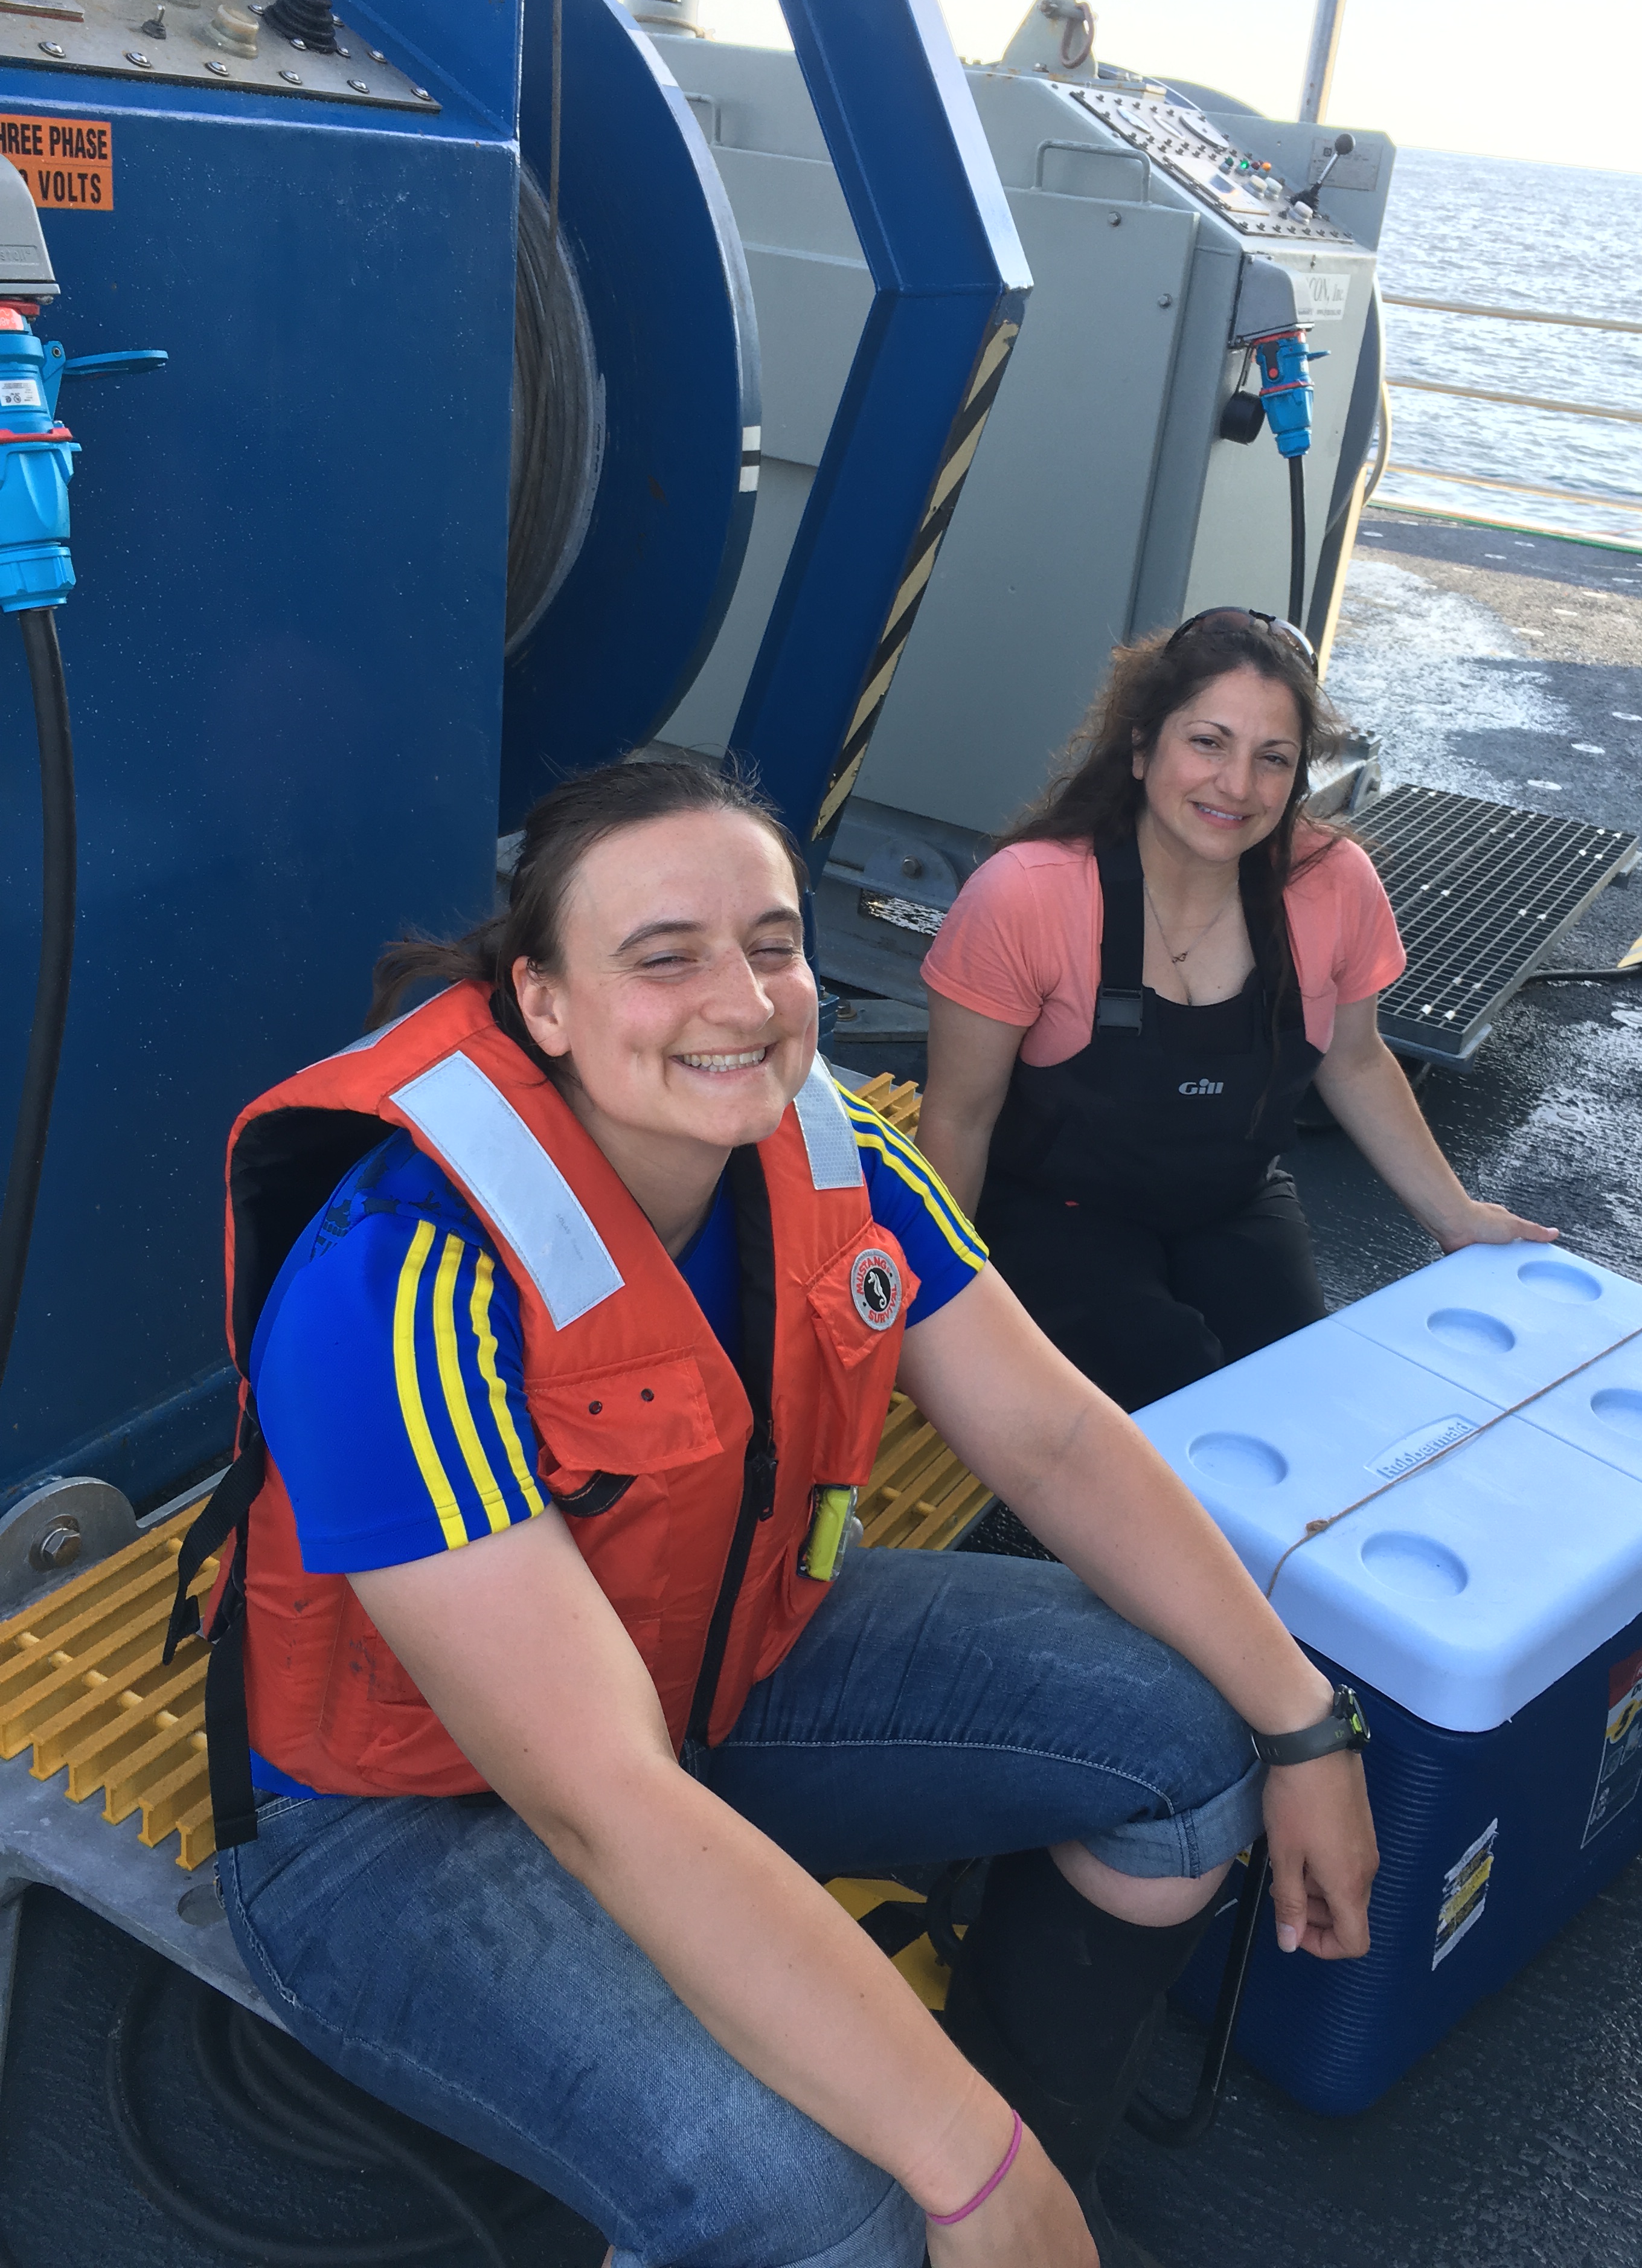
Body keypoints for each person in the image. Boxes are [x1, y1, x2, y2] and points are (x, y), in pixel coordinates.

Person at [174, 755, 1379, 2268]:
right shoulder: (403, 1281)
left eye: (772, 942)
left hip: (716, 1664)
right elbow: (599, 1793)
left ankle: (1033, 2199)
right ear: (543, 1000)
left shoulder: (833, 1147)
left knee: (1188, 1741)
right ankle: (970, 2201)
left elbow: (1062, 1440)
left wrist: (1306, 1726)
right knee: (827, 2192)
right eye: (662, 957)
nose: (744, 1002)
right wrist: (956, 2157)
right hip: (399, 1825)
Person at [917, 608, 1556, 1419]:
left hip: (1234, 1200)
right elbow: (960, 1118)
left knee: (1295, 1401)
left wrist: (1457, 1218)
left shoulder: (1334, 883)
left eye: (1273, 758)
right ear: (1142, 748)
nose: (1237, 786)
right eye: (1208, 742)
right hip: (1053, 1211)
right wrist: (934, 1312)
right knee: (1172, 1393)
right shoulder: (1026, 895)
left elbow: (1356, 1059)